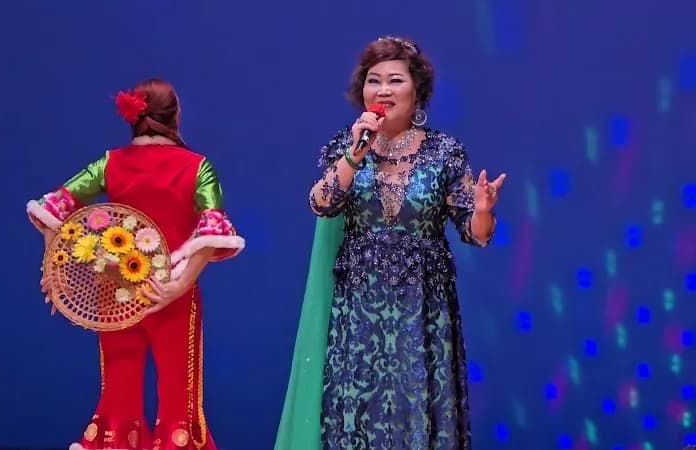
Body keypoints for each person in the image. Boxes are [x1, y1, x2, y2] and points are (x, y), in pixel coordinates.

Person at [275, 36, 506, 450]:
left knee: (416, 404)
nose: (382, 90)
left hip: (423, 309)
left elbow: (476, 234)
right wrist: (354, 155)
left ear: (417, 90)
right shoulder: (345, 149)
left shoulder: (445, 153)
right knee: (356, 406)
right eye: (373, 80)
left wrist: (484, 209)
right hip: (358, 308)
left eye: (394, 80)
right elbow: (321, 204)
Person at [26, 78, 245, 450]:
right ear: (175, 115)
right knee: (179, 395)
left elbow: (51, 209)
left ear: (133, 118)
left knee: (119, 391)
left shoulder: (110, 163)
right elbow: (211, 235)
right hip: (171, 293)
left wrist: (56, 268)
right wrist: (180, 284)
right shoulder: (197, 167)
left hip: (115, 292)